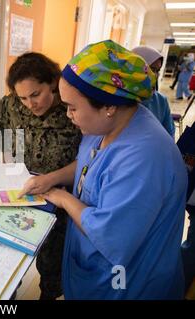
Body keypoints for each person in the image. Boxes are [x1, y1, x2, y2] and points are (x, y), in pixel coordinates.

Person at [18, 40, 188, 299]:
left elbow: (111, 234)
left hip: (128, 284)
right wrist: (52, 178)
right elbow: (91, 164)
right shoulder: (105, 126)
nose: (68, 115)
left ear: (109, 106)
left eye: (73, 108)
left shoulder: (145, 158)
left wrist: (63, 198)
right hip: (92, 269)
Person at [0, 52, 81, 300]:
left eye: (36, 94)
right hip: (21, 192)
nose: (30, 104)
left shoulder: (72, 109)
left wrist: (51, 179)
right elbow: (6, 131)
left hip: (59, 199)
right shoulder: (10, 104)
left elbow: (89, 161)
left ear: (52, 83)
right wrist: (9, 165)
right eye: (23, 97)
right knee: (10, 256)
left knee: (51, 265)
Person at [132, 45, 175, 137]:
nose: (155, 75)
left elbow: (169, 134)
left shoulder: (160, 101)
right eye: (151, 68)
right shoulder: (118, 97)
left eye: (157, 70)